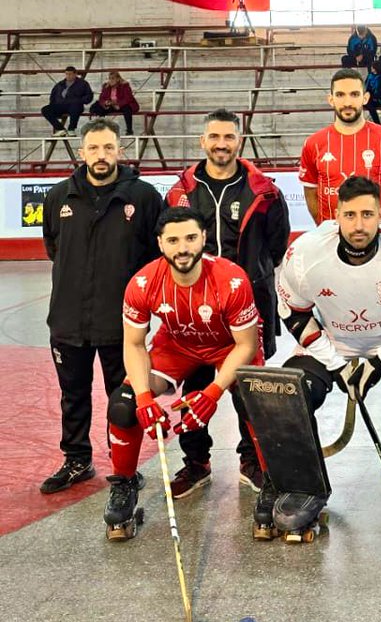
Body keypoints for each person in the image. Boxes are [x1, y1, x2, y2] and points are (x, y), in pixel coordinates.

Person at [271, 175, 381, 537]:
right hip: (331, 344)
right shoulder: (303, 255)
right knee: (291, 394)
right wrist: (336, 364)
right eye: (349, 215)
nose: (359, 224)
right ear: (335, 215)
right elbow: (294, 314)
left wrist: (380, 359)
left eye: (368, 214)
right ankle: (304, 486)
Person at [101, 207, 262, 540]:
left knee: (256, 401)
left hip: (227, 346)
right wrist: (144, 398)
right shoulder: (143, 282)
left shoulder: (231, 280)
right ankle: (124, 484)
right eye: (173, 240)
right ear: (160, 244)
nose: (183, 247)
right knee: (123, 405)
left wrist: (213, 393)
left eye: (190, 237)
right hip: (178, 346)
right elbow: (133, 345)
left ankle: (273, 480)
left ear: (204, 238)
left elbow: (246, 345)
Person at [165, 109, 290, 496]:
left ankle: (250, 460)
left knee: (247, 390)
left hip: (247, 311)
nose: (222, 144)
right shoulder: (181, 192)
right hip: (194, 313)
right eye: (214, 137)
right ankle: (196, 462)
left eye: (229, 137)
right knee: (192, 390)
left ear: (240, 140)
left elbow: (277, 246)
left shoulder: (264, 192)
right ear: (202, 141)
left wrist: (249, 282)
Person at [39, 118, 163, 494]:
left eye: (108, 147)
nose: (101, 155)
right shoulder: (59, 196)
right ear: (81, 152)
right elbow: (53, 248)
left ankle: (124, 467)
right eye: (93, 148)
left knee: (121, 399)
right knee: (72, 395)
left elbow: (155, 259)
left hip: (122, 325)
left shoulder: (142, 197)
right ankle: (77, 460)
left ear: (120, 150)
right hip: (68, 319)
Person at [299, 68, 381, 224]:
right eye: (340, 95)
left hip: (377, 238)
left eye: (354, 94)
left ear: (365, 98)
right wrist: (325, 225)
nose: (347, 102)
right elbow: (310, 192)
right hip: (331, 237)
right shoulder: (313, 143)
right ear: (331, 99)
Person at [41, 66, 94, 136]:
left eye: (70, 74)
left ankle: (71, 129)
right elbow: (53, 95)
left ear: (75, 74)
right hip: (61, 105)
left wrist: (79, 101)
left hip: (75, 104)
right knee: (45, 109)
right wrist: (52, 104)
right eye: (67, 74)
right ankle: (60, 129)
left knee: (75, 108)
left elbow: (89, 95)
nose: (68, 76)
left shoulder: (83, 84)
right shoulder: (60, 84)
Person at [89, 71, 139, 136]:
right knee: (100, 108)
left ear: (118, 79)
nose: (111, 80)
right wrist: (105, 103)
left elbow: (128, 98)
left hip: (122, 105)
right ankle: (101, 129)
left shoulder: (124, 86)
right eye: (109, 78)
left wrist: (118, 104)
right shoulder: (106, 86)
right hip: (111, 105)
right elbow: (101, 98)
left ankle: (129, 130)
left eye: (113, 78)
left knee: (127, 109)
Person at [363, 61, 381, 125]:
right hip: (369, 97)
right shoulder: (369, 76)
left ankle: (380, 122)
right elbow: (366, 86)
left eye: (372, 67)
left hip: (379, 98)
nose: (371, 68)